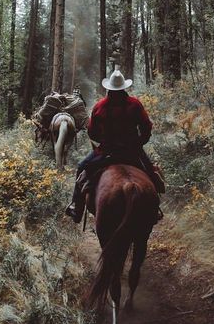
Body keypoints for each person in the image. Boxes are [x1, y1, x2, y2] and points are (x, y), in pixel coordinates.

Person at [65, 68, 158, 223]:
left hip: (106, 152)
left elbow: (92, 133)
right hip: (132, 152)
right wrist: (138, 143)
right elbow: (146, 127)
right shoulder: (135, 104)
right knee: (151, 173)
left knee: (82, 167)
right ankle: (154, 210)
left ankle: (77, 208)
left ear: (109, 88)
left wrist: (104, 141)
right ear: (124, 88)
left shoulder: (99, 106)